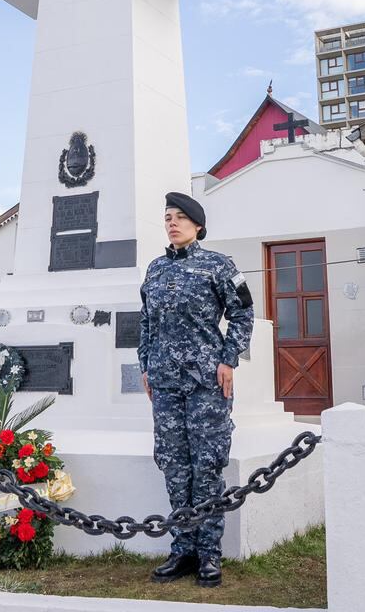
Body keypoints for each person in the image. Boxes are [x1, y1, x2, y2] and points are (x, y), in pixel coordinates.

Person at [138, 192, 253, 588]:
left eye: (180, 217)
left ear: (198, 225)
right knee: (174, 464)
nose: (172, 223)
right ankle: (182, 549)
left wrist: (229, 358)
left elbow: (242, 313)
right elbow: (146, 323)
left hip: (206, 382)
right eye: (167, 217)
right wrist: (145, 366)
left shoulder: (219, 266)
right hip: (166, 384)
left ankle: (209, 554)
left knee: (207, 466)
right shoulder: (154, 270)